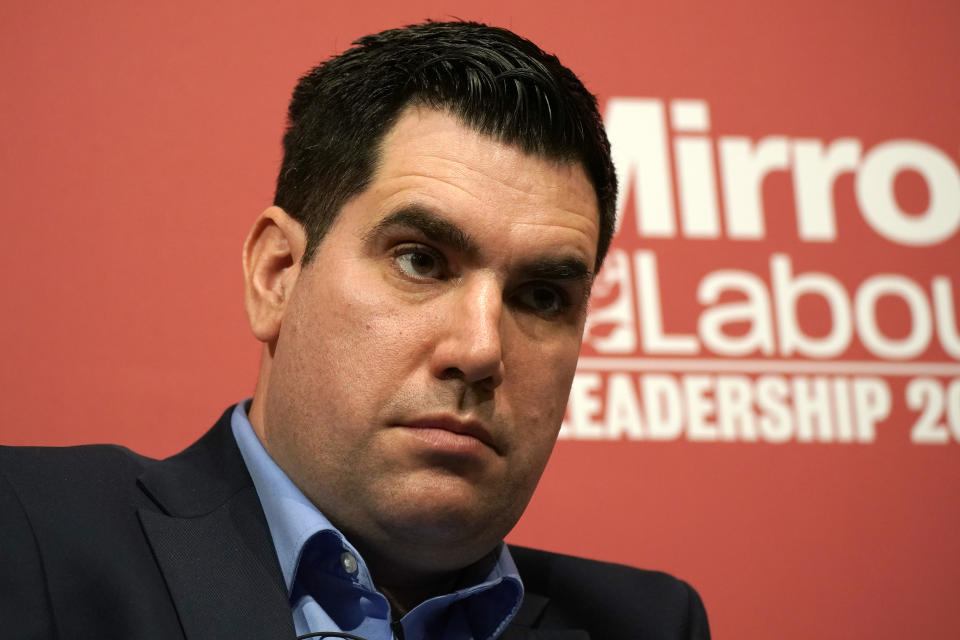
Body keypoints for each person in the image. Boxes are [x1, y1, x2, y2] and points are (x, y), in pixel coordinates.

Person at [0, 21, 709, 640]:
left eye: (543, 297)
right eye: (421, 261)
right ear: (277, 274)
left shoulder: (650, 622)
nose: (481, 349)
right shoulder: (31, 531)